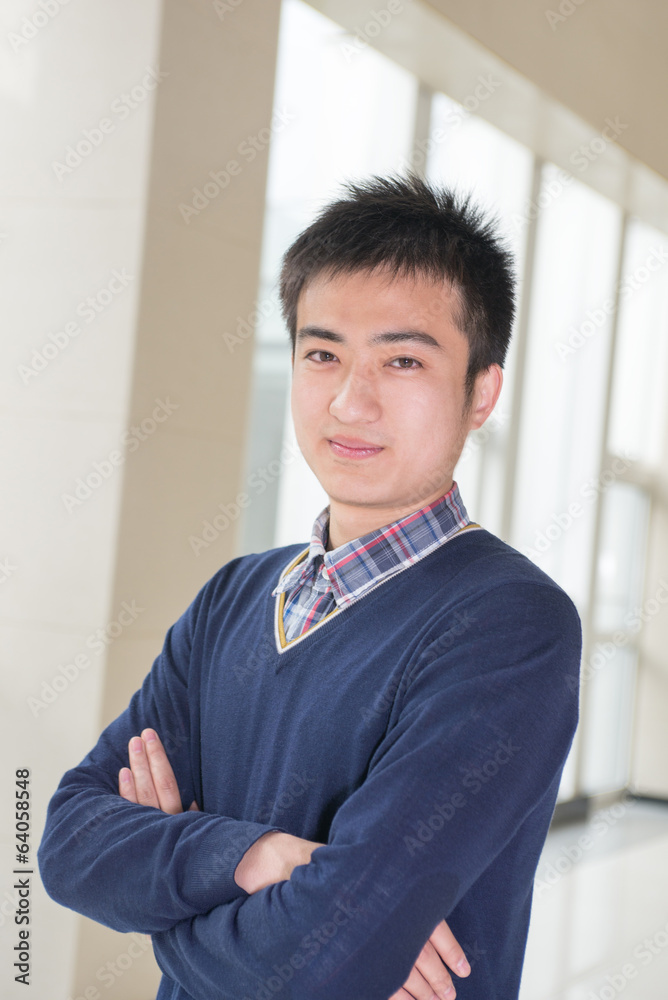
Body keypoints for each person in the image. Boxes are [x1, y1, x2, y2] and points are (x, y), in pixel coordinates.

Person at [38, 173, 582, 1000]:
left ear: (481, 392)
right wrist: (249, 856)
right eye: (323, 354)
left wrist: (164, 891)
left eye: (403, 360)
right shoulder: (234, 597)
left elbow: (328, 964)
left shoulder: (509, 623)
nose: (351, 402)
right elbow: (69, 844)